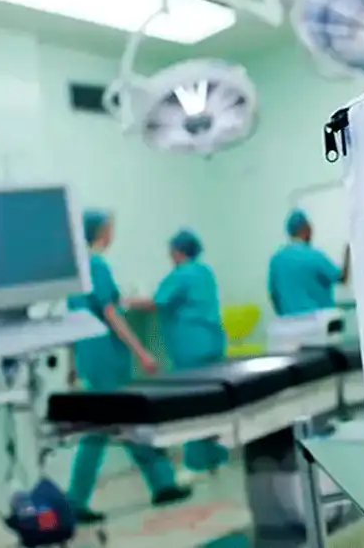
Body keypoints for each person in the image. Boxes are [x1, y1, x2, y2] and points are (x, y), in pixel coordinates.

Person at [66, 210, 192, 524]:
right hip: (108, 357)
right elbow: (110, 312)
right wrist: (142, 352)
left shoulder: (75, 271)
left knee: (128, 423)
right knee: (101, 430)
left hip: (90, 357)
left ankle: (162, 484)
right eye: (111, 229)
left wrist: (73, 364)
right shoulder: (96, 265)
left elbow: (71, 323)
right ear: (103, 232)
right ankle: (75, 502)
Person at [125, 229, 230, 474]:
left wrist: (125, 301)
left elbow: (155, 303)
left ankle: (195, 463)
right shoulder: (205, 272)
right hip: (212, 343)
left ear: (177, 251)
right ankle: (215, 457)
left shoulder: (180, 274)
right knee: (212, 401)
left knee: (192, 404)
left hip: (190, 345)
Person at [268, 209, 351, 316]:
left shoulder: (276, 260)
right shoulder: (314, 256)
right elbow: (342, 278)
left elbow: (273, 296)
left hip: (289, 325)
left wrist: (285, 317)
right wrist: (348, 252)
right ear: (307, 229)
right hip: (317, 325)